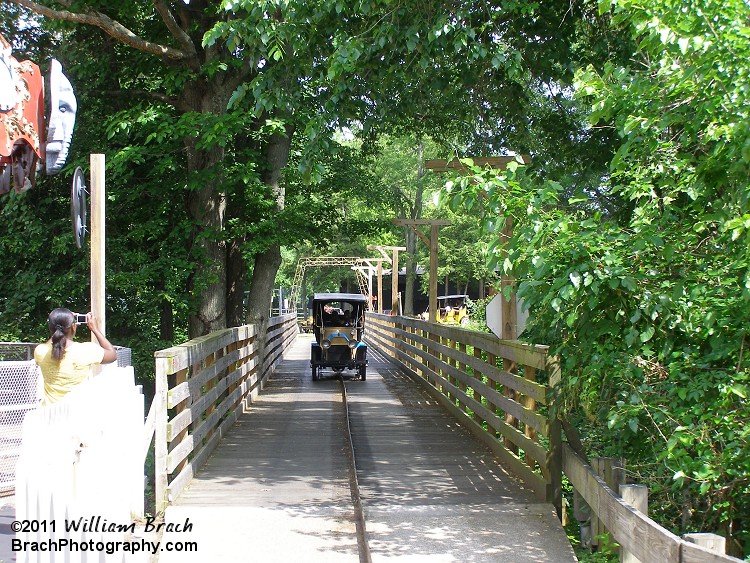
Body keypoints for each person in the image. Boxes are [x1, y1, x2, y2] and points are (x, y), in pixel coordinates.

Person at [34, 308, 117, 405]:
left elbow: (53, 342)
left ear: (50, 328)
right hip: (76, 411)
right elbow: (112, 354)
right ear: (73, 327)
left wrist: (58, 329)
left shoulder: (40, 351)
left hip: (49, 414)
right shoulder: (86, 350)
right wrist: (95, 329)